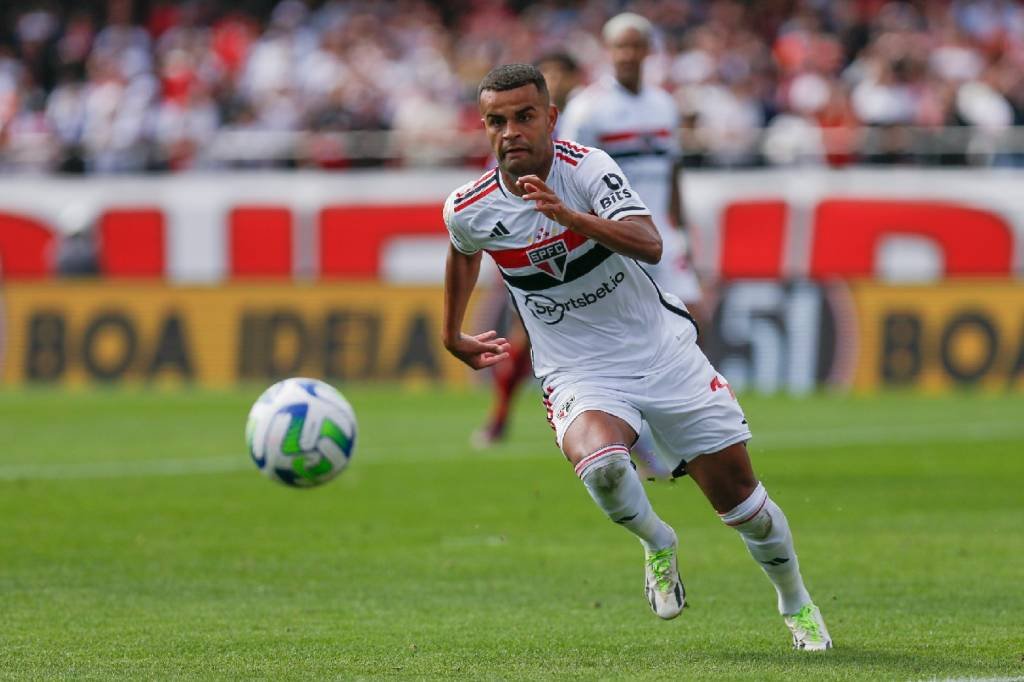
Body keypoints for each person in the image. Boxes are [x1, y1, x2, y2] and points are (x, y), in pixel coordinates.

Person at [441, 63, 831, 651]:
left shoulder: (587, 169)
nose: (511, 132)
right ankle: (657, 541)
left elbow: (651, 242)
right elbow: (463, 250)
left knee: (746, 508)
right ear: (484, 126)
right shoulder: (468, 206)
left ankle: (795, 601)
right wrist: (453, 332)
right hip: (577, 370)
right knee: (600, 465)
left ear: (550, 117)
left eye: (524, 117)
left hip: (662, 353)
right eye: (497, 121)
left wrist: (569, 217)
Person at [559, 13, 702, 478]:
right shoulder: (588, 109)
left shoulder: (663, 105)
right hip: (616, 239)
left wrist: (681, 226)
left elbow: (673, 167)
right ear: (608, 51)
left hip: (661, 236)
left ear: (647, 51)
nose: (627, 55)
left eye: (635, 46)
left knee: (689, 319)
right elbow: (567, 177)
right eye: (619, 47)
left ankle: (678, 431)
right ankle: (645, 443)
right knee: (630, 337)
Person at [472, 52, 582, 448]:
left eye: (560, 73)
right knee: (525, 338)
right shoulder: (514, 134)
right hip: (538, 246)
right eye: (547, 72)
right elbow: (493, 187)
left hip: (592, 243)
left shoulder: (587, 123)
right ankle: (499, 419)